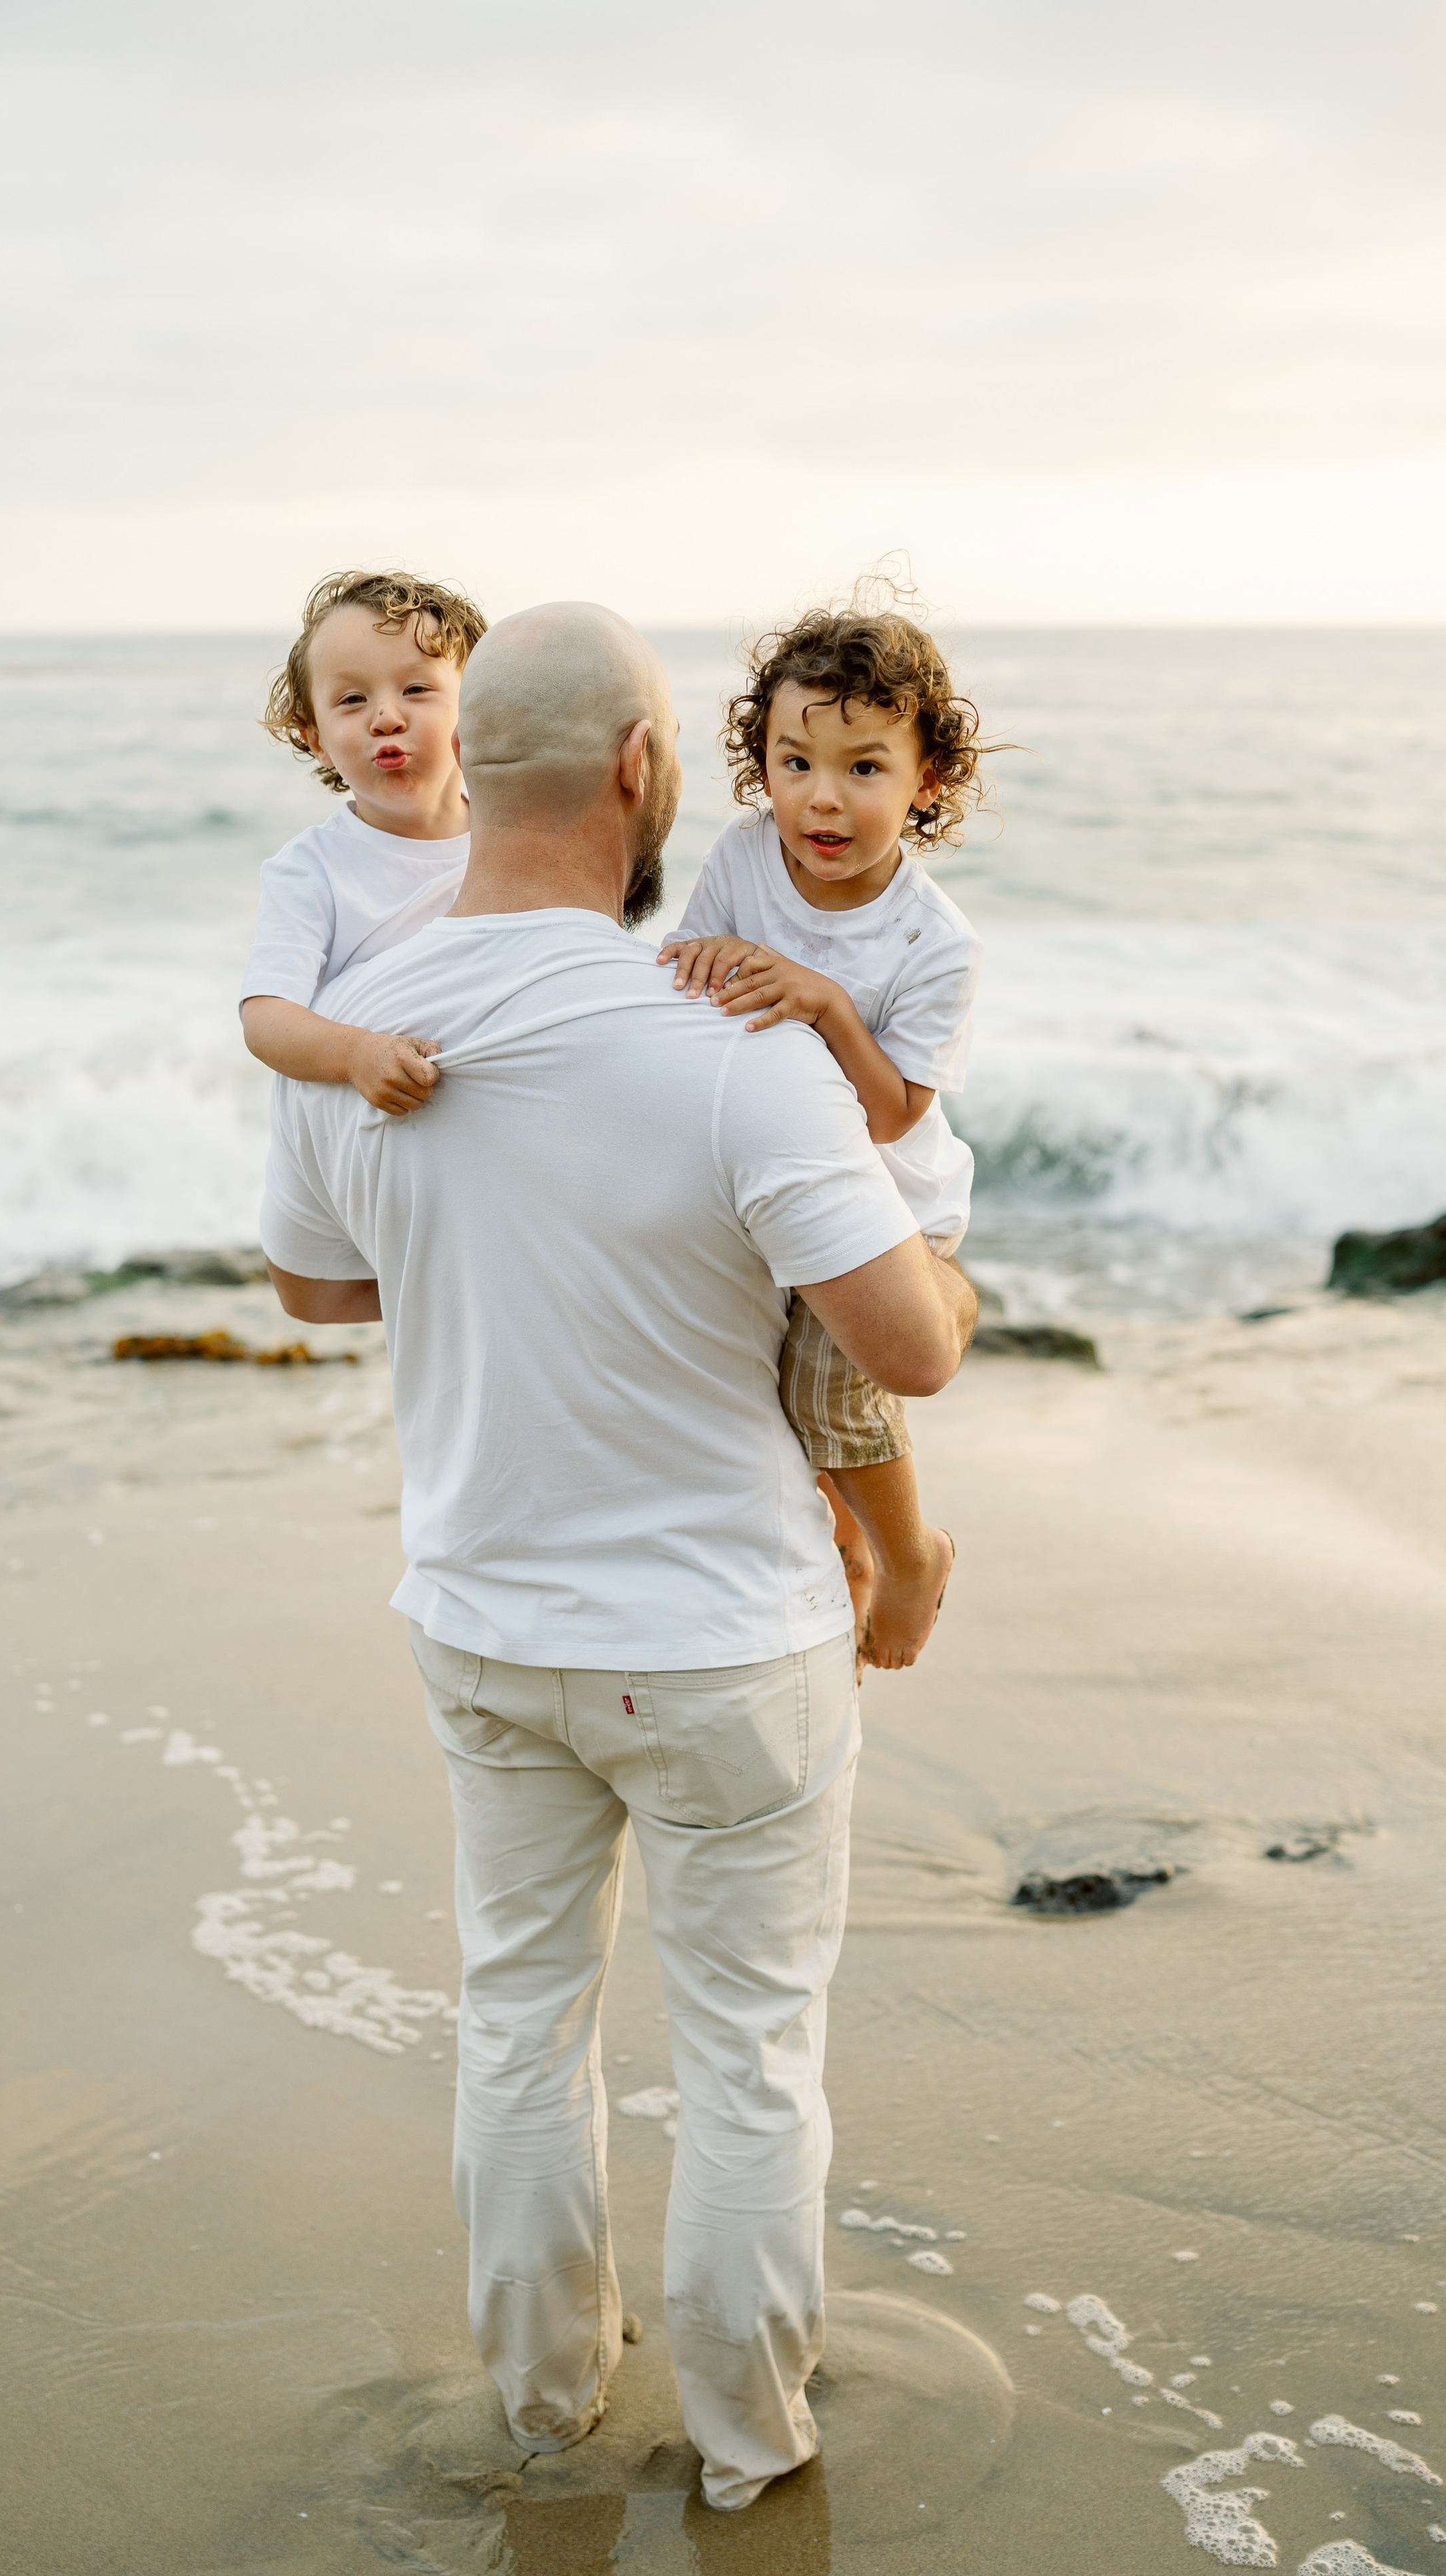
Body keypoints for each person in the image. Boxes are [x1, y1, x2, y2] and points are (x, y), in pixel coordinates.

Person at [259, 603, 977, 2514]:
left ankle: (543, 2407)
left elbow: (319, 1288)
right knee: (748, 2055)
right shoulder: (732, 1043)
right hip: (732, 1644)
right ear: (651, 775)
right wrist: (955, 1279)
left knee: (520, 2020)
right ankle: (751, 2444)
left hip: (488, 1629)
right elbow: (906, 1349)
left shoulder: (361, 1028)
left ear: (466, 767)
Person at [659, 601, 987, 1672]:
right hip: (766, 1186)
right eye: (795, 761)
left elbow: (896, 1113)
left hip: (890, 1204)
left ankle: (910, 1554)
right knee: (762, 1402)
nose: (823, 797)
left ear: (925, 779)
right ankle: (843, 1556)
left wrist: (824, 1003)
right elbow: (686, 972)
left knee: (827, 1388)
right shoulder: (746, 856)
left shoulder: (935, 940)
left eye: (864, 767)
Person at [239, 566, 486, 1114]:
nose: (386, 717)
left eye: (417, 689)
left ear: (475, 707)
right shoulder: (313, 868)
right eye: (351, 700)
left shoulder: (515, 838)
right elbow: (266, 1017)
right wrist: (357, 1056)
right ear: (318, 740)